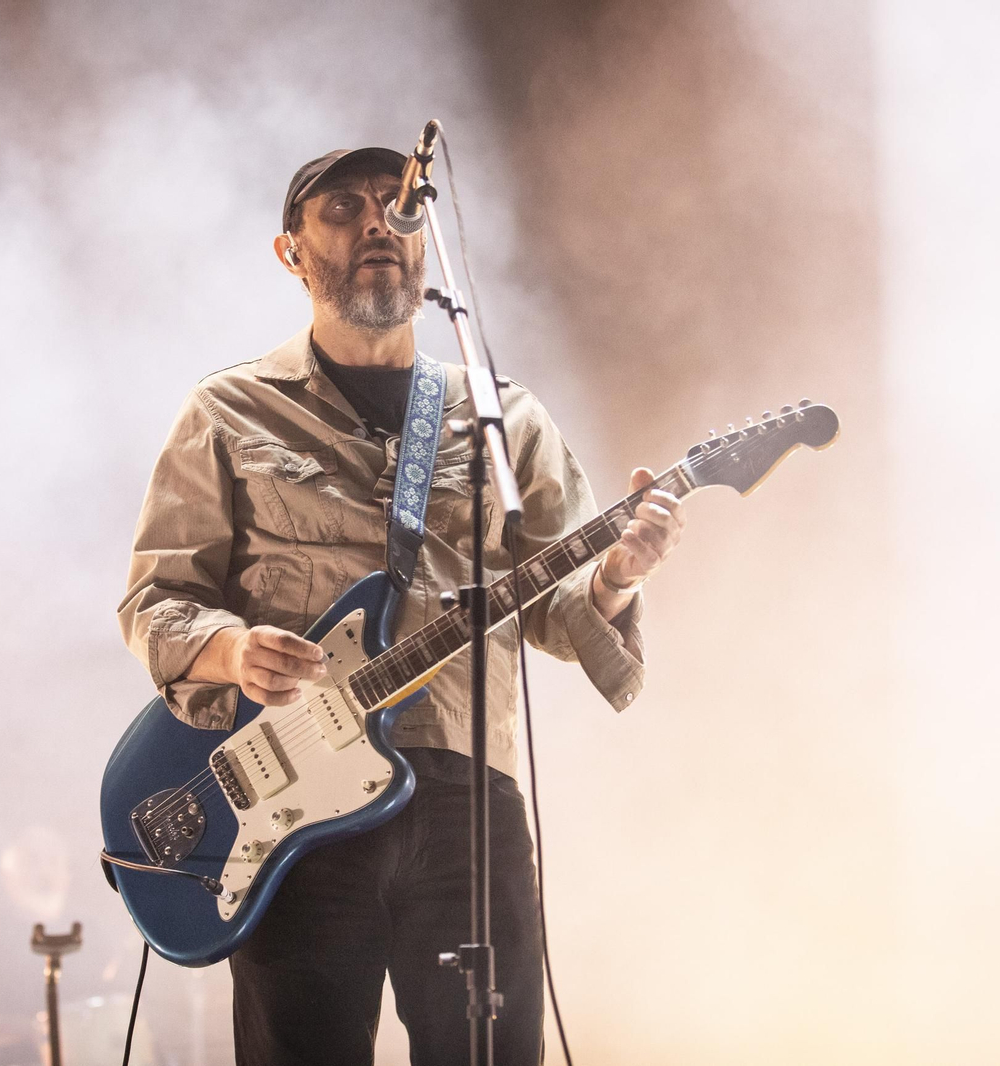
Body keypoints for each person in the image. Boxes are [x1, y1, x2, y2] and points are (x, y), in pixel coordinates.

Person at [118, 143, 684, 1066]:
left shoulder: (503, 419)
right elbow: (157, 598)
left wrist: (617, 575)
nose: (379, 221)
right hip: (293, 812)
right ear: (290, 251)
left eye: (397, 204)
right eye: (343, 208)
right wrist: (234, 650)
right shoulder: (228, 412)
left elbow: (556, 605)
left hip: (468, 803)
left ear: (425, 246)